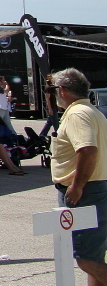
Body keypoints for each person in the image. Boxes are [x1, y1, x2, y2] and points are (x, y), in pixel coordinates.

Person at [50, 68, 107, 286]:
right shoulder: (91, 111)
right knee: (93, 257)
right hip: (94, 188)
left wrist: (77, 186)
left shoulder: (76, 114)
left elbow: (88, 150)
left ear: (62, 91)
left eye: (53, 90)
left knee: (85, 258)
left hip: (85, 191)